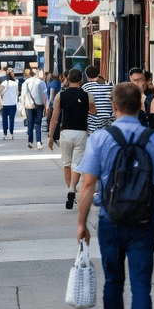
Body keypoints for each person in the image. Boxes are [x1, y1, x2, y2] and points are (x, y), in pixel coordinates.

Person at [76, 82, 154, 309]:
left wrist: (81, 223)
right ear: (141, 105)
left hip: (111, 220)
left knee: (113, 283)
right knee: (142, 287)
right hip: (145, 222)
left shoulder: (101, 139)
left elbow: (88, 184)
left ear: (115, 106)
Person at [48, 68, 96, 209]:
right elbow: (93, 111)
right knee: (77, 164)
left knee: (67, 163)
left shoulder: (60, 96)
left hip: (65, 132)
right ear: (81, 80)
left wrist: (51, 136)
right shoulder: (87, 95)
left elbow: (54, 117)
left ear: (68, 80)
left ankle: (71, 191)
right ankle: (71, 190)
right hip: (81, 132)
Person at [21, 69, 48, 149]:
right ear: (35, 74)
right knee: (38, 123)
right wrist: (46, 106)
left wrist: (23, 107)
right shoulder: (41, 82)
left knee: (30, 123)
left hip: (29, 105)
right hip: (39, 104)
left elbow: (23, 96)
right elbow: (44, 95)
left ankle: (30, 141)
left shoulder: (25, 83)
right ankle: (39, 142)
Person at [83, 65, 114, 133]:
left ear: (87, 76)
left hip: (93, 125)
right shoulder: (110, 86)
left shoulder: (86, 87)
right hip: (109, 124)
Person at [0, 69, 19, 140]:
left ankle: (5, 133)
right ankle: (11, 133)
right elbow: (17, 92)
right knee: (11, 119)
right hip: (13, 103)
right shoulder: (15, 83)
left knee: (4, 119)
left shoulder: (3, 83)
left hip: (5, 104)